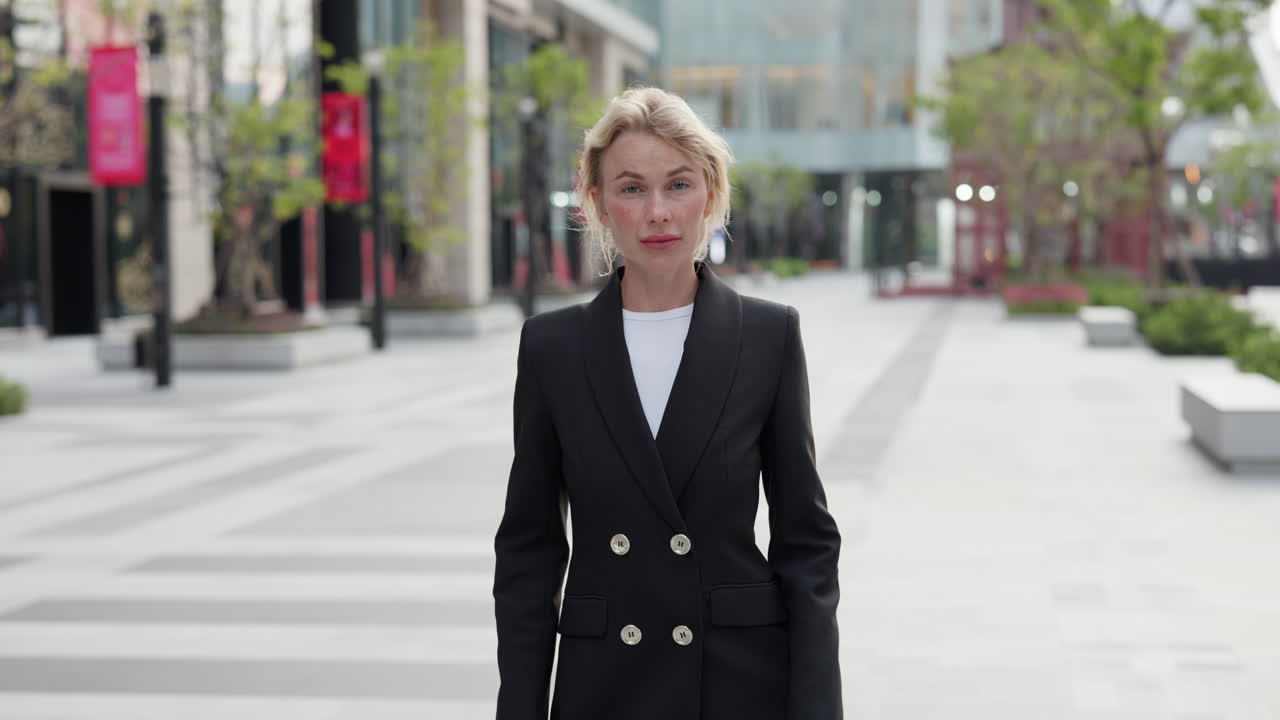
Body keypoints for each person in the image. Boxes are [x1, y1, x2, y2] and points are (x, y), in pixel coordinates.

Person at [493, 87, 842, 720]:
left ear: (710, 193)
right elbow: (529, 555)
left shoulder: (767, 337)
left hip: (735, 681)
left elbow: (806, 545)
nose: (657, 212)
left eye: (678, 184)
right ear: (598, 203)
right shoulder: (553, 348)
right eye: (631, 188)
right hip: (604, 685)